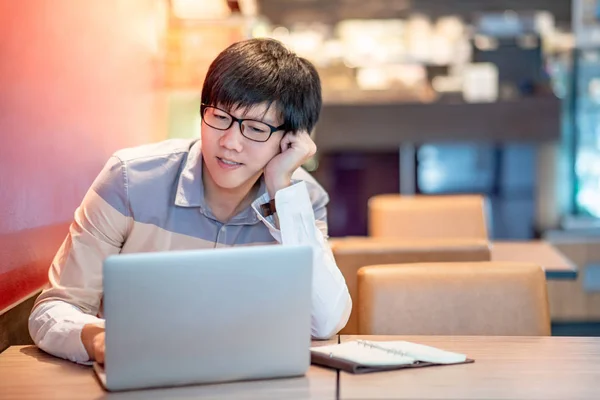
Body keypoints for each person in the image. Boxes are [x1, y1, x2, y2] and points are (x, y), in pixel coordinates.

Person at [28, 38, 352, 364]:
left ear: (291, 141)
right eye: (220, 116)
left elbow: (325, 322)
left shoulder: (300, 199)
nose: (230, 142)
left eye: (254, 128)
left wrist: (282, 194)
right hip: (141, 381)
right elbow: (51, 311)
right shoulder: (129, 180)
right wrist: (99, 341)